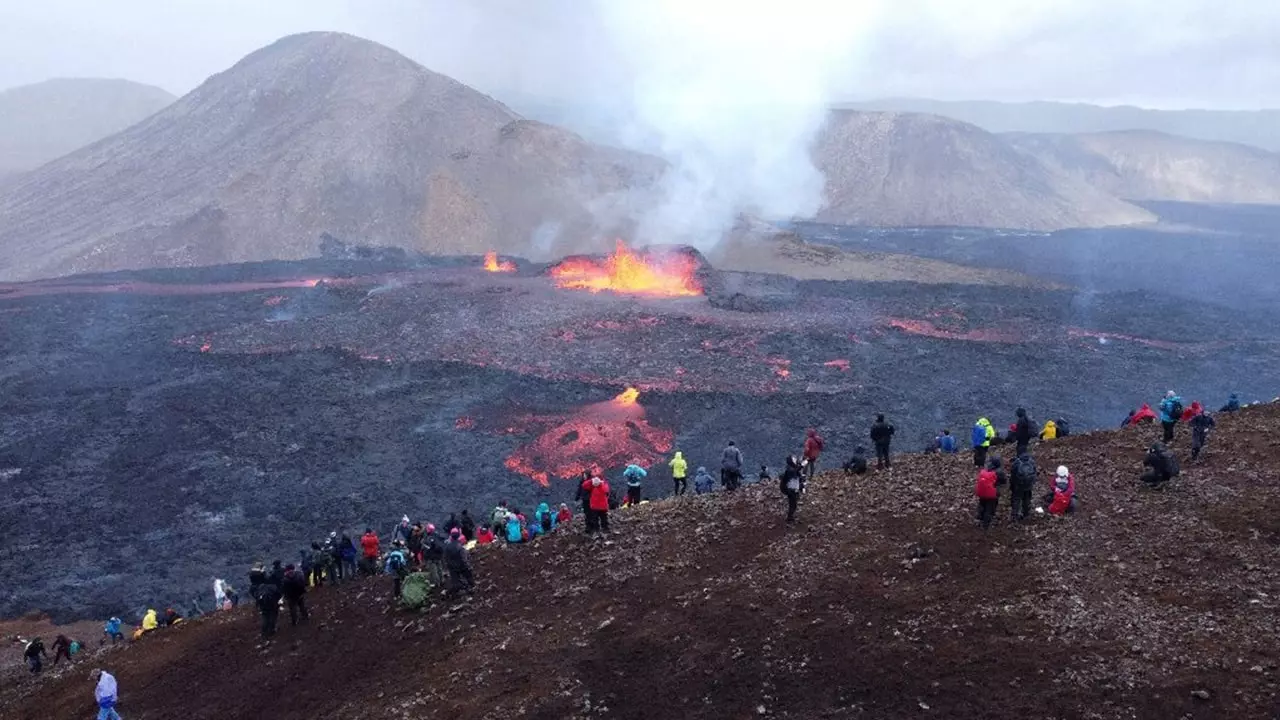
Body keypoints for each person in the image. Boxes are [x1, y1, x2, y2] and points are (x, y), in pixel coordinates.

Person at [974, 458, 1005, 530]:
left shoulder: (986, 469)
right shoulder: (999, 472)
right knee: (989, 508)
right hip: (992, 494)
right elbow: (1003, 481)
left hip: (982, 492)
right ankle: (986, 525)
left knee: (982, 505)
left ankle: (979, 519)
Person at [443, 528, 475, 597]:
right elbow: (464, 558)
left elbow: (445, 558)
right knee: (467, 577)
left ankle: (454, 592)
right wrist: (468, 566)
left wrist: (448, 566)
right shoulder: (459, 546)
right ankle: (469, 589)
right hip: (461, 566)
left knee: (456, 581)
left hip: (452, 567)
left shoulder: (447, 546)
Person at [253, 571, 282, 640]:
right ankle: (271, 630)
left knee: (265, 617)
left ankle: (264, 631)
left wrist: (258, 605)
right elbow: (278, 595)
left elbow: (256, 596)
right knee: (273, 617)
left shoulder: (260, 587)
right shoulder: (273, 587)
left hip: (263, 606)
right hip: (273, 605)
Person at [1008, 453, 1037, 523]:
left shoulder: (1017, 463)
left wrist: (1012, 485)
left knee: (1016, 500)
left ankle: (1015, 516)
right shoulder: (1032, 462)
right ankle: (1026, 514)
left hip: (1018, 486)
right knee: (1027, 499)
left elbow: (1013, 475)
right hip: (1028, 486)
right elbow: (1035, 473)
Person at [779, 455, 805, 523]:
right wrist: (802, 466)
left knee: (793, 503)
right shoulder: (790, 470)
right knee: (793, 504)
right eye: (794, 460)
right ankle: (789, 518)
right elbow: (794, 472)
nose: (796, 460)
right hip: (789, 489)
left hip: (791, 488)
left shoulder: (791, 468)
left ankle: (790, 516)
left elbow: (797, 474)